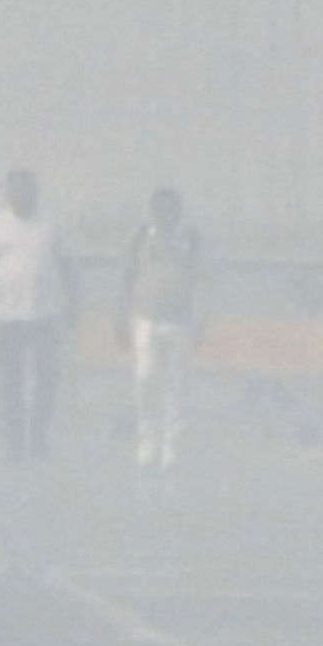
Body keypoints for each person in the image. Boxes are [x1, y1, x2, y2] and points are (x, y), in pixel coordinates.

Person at [0, 168, 74, 463]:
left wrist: (73, 308)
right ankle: (14, 442)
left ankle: (38, 438)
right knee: (9, 384)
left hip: (44, 316)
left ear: (35, 191)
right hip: (5, 317)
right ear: (7, 192)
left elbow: (67, 268)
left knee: (45, 380)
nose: (19, 195)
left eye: (25, 189)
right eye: (14, 190)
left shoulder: (52, 223)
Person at [116, 186, 202, 470]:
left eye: (171, 209)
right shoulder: (140, 238)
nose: (166, 215)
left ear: (178, 212)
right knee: (146, 380)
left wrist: (200, 318)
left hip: (180, 321)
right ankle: (147, 442)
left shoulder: (189, 240)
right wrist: (119, 317)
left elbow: (199, 280)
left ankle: (171, 447)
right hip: (145, 319)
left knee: (177, 385)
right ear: (153, 211)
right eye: (160, 209)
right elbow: (127, 277)